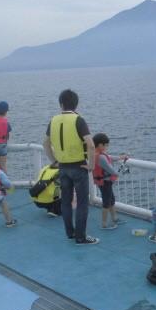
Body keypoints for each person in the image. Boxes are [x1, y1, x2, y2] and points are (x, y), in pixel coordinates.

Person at [43, 89, 98, 245]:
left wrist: (54, 160)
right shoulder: (78, 120)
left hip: (63, 167)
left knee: (65, 202)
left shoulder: (53, 120)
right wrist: (91, 165)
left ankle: (70, 233)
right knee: (81, 203)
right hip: (79, 166)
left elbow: (45, 143)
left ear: (61, 104)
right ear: (76, 104)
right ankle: (80, 237)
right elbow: (91, 145)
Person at [92, 133, 128, 229]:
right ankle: (104, 224)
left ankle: (115, 218)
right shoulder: (100, 157)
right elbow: (110, 169)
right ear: (100, 145)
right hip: (105, 183)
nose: (107, 147)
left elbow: (110, 158)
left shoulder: (97, 154)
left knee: (111, 200)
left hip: (103, 182)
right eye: (106, 145)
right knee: (106, 203)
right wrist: (118, 173)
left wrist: (121, 157)